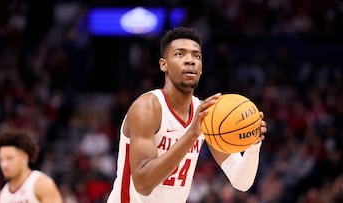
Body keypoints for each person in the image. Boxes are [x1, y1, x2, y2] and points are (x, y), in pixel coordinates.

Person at [107, 26, 267, 203]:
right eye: (180, 54)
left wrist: (253, 145)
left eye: (196, 56)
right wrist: (192, 134)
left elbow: (241, 182)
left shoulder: (207, 114)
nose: (190, 60)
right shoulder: (148, 108)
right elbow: (143, 185)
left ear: (201, 68)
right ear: (163, 64)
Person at [0, 127, 63, 203]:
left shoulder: (41, 184)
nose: (4, 165)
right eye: (1, 159)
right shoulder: (3, 195)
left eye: (9, 158)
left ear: (24, 158)